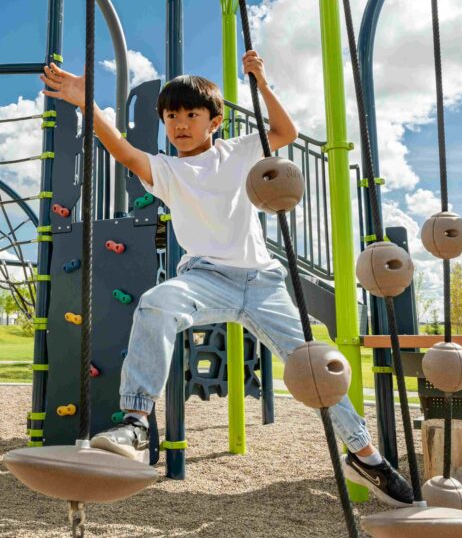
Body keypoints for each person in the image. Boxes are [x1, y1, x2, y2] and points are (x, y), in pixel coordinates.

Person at [41, 51, 413, 506]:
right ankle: (137, 423)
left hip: (263, 283)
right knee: (157, 302)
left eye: (191, 114)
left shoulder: (238, 151)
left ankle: (364, 453)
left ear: (214, 121)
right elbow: (120, 148)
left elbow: (285, 133)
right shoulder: (168, 169)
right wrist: (86, 101)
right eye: (171, 116)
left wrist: (261, 80)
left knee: (316, 366)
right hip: (204, 279)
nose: (180, 124)